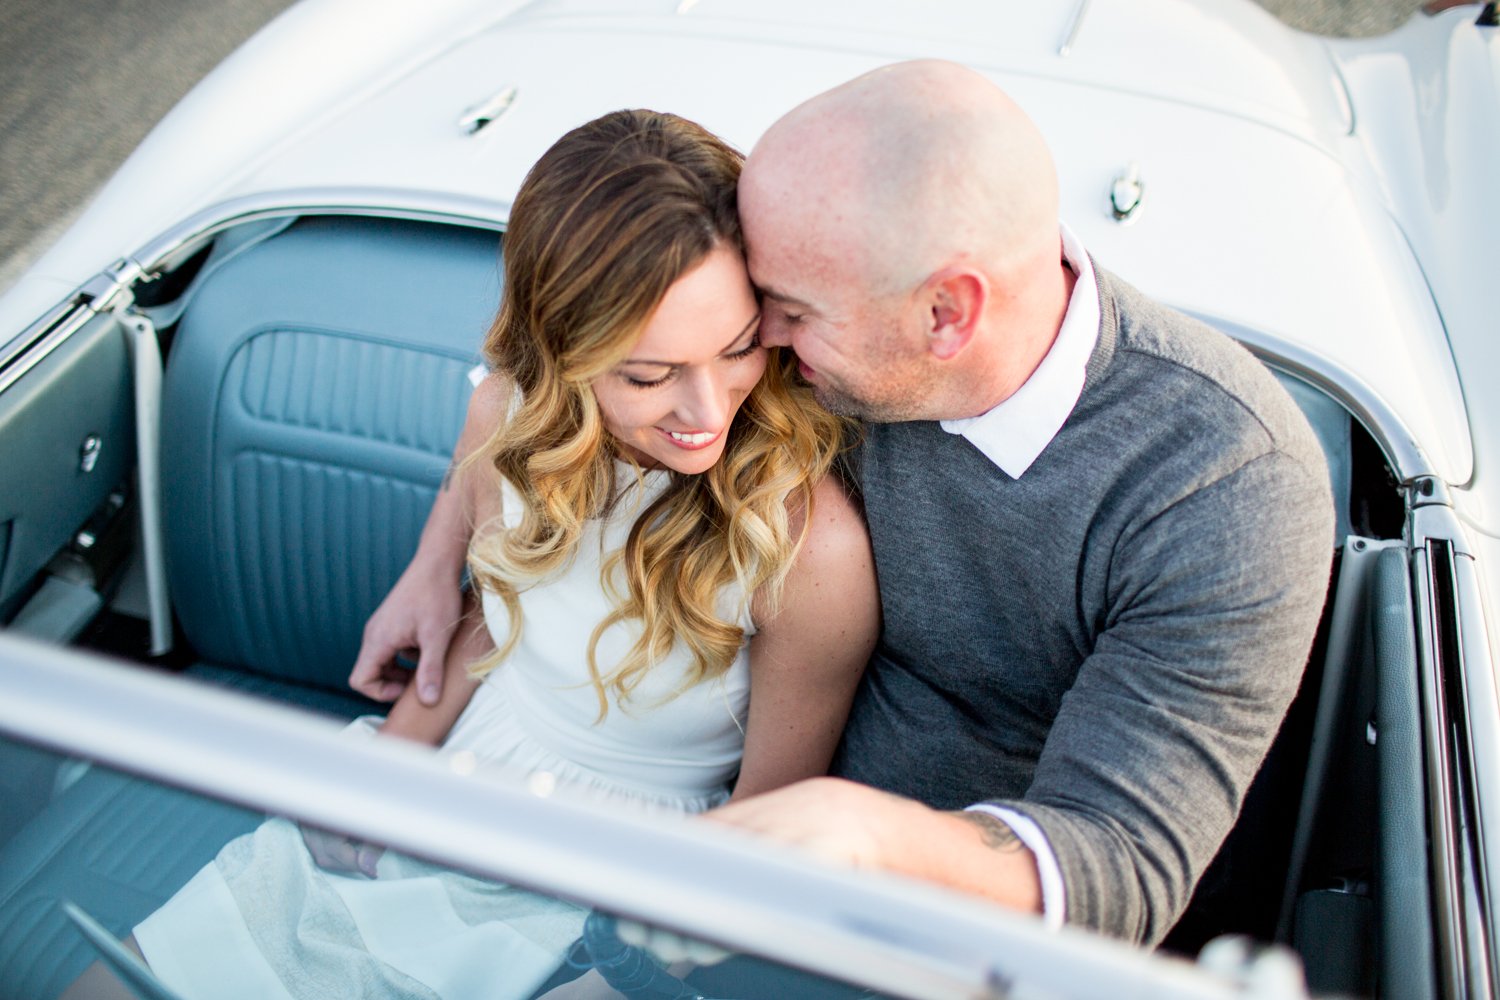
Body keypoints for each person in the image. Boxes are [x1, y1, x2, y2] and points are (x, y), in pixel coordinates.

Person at [353, 61, 1335, 947]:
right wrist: (442, 557)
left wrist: (864, 832)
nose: (759, 345)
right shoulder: (822, 362)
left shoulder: (1223, 489)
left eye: (784, 311)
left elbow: (1121, 862)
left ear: (946, 314)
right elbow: (554, 392)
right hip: (725, 884)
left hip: (949, 942)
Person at [64, 108, 878, 1000]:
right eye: (647, 376)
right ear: (563, 353)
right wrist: (392, 762)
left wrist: (628, 974)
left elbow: (765, 830)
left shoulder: (808, 550)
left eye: (734, 352)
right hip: (451, 773)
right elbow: (498, 626)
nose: (705, 411)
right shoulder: (506, 422)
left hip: (621, 891)